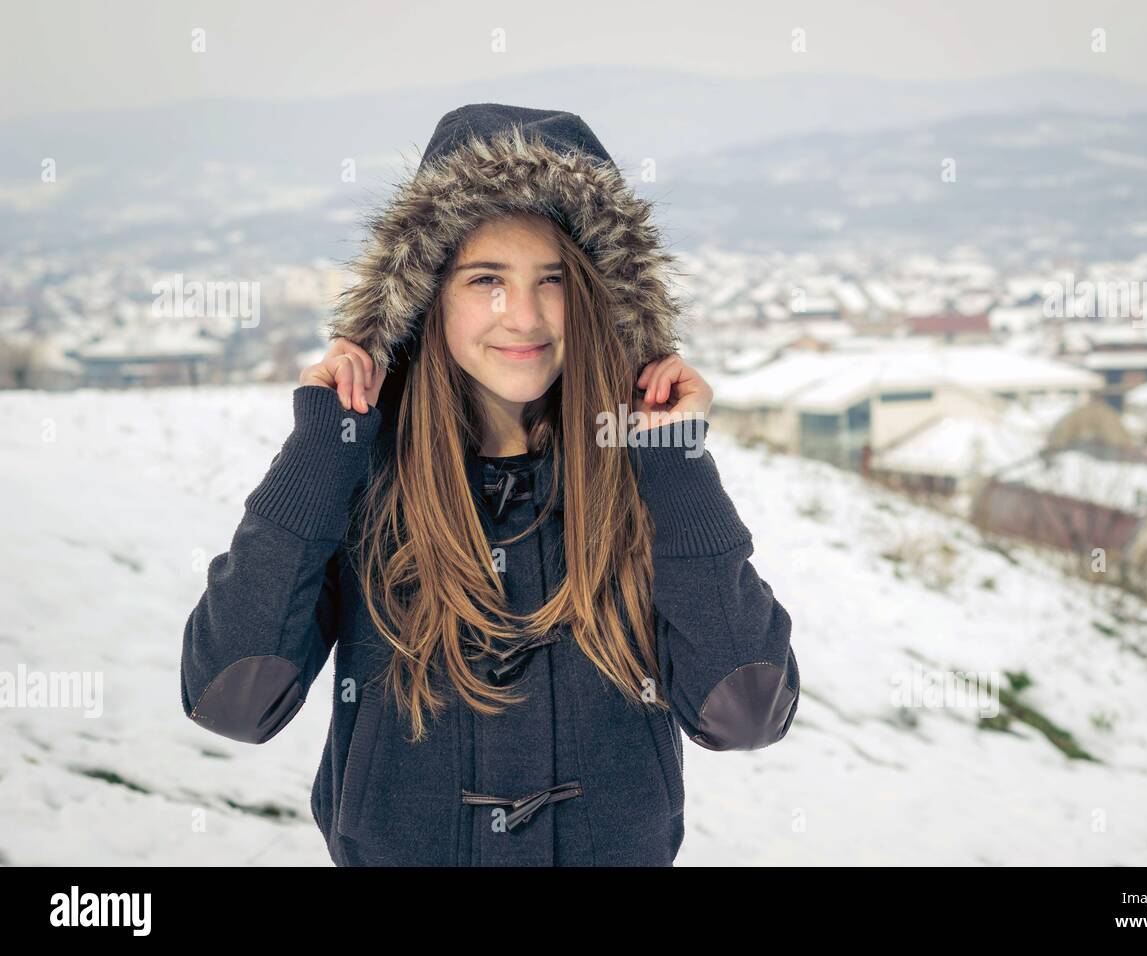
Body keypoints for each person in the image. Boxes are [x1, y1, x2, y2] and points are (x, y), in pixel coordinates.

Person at [179, 103, 799, 866]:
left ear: (600, 295)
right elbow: (233, 701)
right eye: (486, 279)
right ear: (427, 292)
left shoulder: (646, 480)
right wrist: (320, 451)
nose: (525, 315)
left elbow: (746, 713)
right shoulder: (361, 481)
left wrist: (674, 458)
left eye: (554, 279)